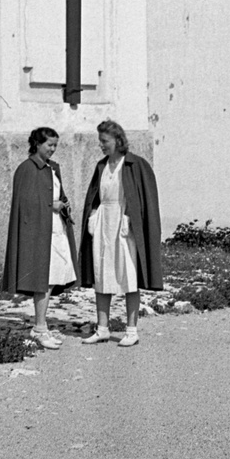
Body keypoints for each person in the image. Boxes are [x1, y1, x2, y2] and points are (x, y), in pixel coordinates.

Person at [79, 119, 163, 347]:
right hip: (104, 223)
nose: (101, 145)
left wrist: (132, 218)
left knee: (129, 275)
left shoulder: (135, 165)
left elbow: (145, 201)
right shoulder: (101, 166)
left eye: (104, 141)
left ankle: (132, 330)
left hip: (126, 224)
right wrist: (93, 214)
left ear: (118, 140)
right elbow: (96, 196)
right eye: (100, 142)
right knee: (101, 273)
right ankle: (103, 328)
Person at [2, 126, 80, 350]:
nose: (53, 149)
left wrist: (63, 204)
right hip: (38, 232)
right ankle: (39, 327)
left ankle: (41, 324)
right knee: (42, 279)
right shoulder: (26, 169)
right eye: (49, 145)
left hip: (55, 228)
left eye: (56, 145)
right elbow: (25, 205)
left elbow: (56, 194)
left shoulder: (52, 168)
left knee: (52, 277)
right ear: (37, 144)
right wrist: (50, 206)